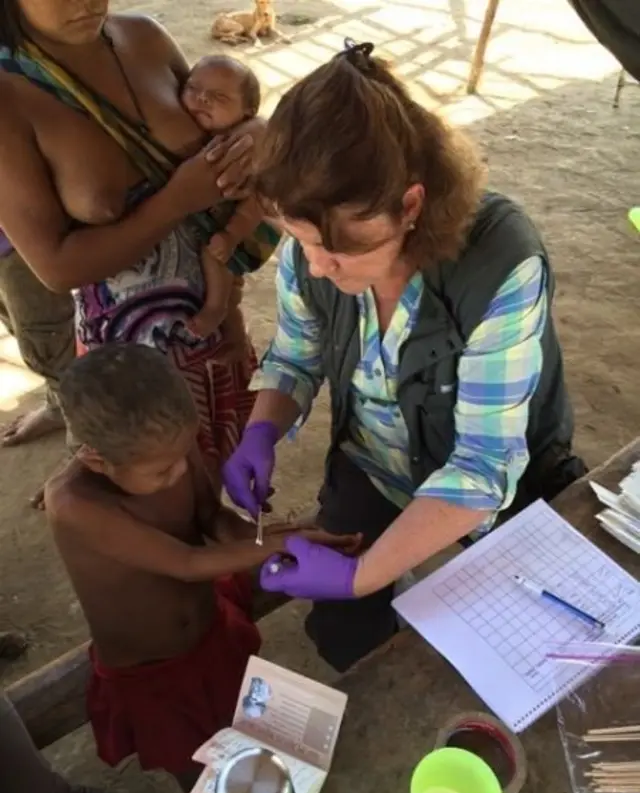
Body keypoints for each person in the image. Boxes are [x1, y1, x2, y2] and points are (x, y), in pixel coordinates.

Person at [222, 40, 587, 673]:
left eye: (340, 249)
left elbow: (479, 471)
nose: (316, 266)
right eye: (300, 242)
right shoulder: (317, 250)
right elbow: (296, 357)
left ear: (411, 205)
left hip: (504, 477)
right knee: (349, 643)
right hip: (377, 462)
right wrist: (261, 428)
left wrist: (360, 575)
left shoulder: (501, 264)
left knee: (524, 651)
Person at [45, 343, 357, 791]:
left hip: (210, 626)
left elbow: (211, 517)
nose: (178, 472)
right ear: (96, 458)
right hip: (155, 672)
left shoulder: (167, 441)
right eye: (161, 472)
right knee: (204, 773)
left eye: (183, 454)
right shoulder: (75, 504)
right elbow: (187, 562)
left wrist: (265, 541)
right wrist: (281, 540)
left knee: (240, 725)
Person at [0, 1, 279, 484]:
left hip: (212, 320)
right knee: (153, 493)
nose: (87, 2)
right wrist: (176, 200)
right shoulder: (10, 95)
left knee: (218, 471)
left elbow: (225, 114)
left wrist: (256, 131)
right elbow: (57, 267)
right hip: (128, 360)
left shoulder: (142, 36)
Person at [181, 55, 270, 347]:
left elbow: (257, 201)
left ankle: (216, 308)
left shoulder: (244, 150)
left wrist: (232, 235)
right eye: (193, 88)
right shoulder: (196, 130)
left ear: (248, 111)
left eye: (218, 96)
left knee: (215, 255)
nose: (202, 98)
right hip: (211, 218)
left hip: (244, 226)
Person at [0, 232, 75, 448]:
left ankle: (83, 423)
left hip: (18, 240)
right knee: (20, 326)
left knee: (46, 342)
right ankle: (62, 405)